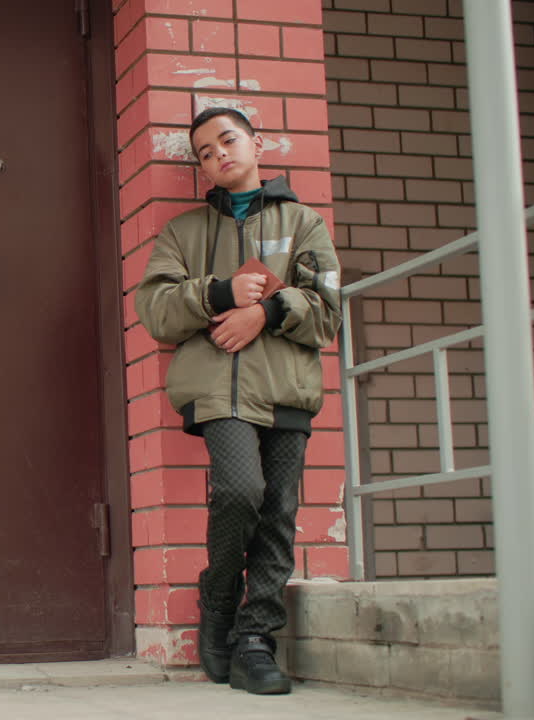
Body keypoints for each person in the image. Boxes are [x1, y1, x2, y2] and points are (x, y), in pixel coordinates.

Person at [134, 107, 342, 695]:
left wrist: (266, 312)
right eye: (204, 151)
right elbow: (155, 311)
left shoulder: (304, 223)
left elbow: (327, 314)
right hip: (218, 390)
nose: (218, 154)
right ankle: (220, 598)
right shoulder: (184, 233)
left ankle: (254, 639)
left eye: (227, 140)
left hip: (286, 390)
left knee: (277, 513)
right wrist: (219, 292)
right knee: (240, 490)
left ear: (254, 142)